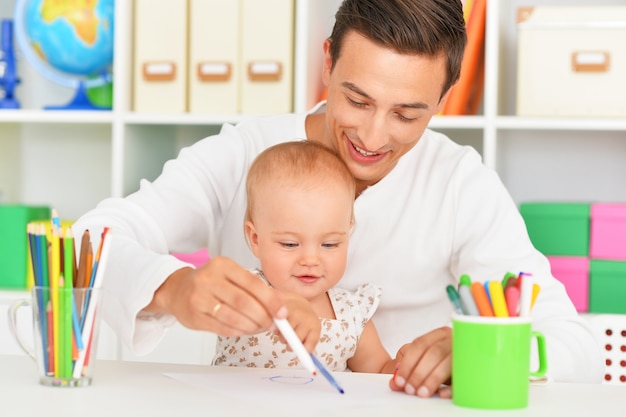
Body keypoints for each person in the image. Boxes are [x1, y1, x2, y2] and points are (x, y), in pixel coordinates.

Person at [73, 0, 604, 399]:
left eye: (407, 114)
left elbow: (571, 342)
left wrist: (486, 348)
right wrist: (173, 288)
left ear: (443, 100)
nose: (373, 137)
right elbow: (83, 246)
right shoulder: (245, 152)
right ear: (328, 63)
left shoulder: (459, 180)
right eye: (357, 99)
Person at [211, 141, 395, 373]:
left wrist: (404, 368)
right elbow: (214, 301)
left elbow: (378, 372)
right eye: (290, 244)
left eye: (329, 244)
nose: (310, 259)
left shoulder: (352, 313)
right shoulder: (246, 290)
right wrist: (277, 306)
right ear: (256, 239)